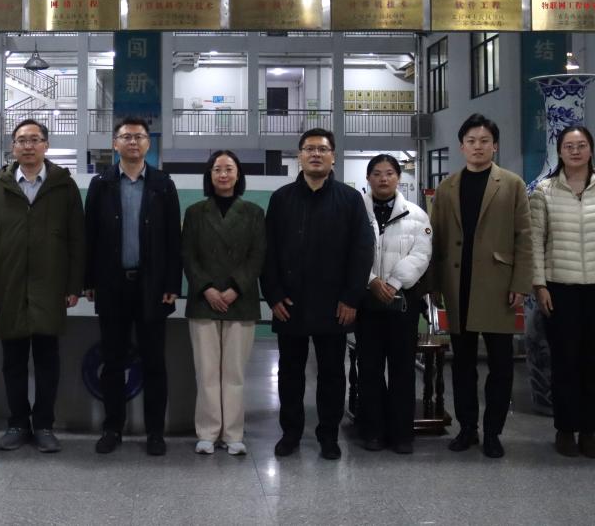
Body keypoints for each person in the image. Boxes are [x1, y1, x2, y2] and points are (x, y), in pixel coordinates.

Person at [261, 128, 374, 460]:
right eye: (309, 149)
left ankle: (328, 435)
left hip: (335, 305)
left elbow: (362, 251)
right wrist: (273, 295)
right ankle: (290, 433)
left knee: (332, 374)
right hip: (289, 304)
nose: (315, 154)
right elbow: (268, 252)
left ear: (333, 157)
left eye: (322, 149)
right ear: (299, 156)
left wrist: (351, 298)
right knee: (290, 374)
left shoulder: (349, 199)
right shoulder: (282, 199)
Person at [0, 119, 84, 453]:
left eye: (35, 139)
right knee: (13, 362)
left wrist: (74, 285)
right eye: (22, 140)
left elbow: (77, 239)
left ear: (46, 146)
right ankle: (17, 423)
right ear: (13, 147)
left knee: (48, 361)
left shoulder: (64, 187)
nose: (28, 145)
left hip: (50, 287)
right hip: (9, 286)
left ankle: (45, 425)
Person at [427, 113, 532, 459]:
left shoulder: (512, 184)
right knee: (462, 364)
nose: (478, 147)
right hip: (458, 285)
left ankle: (493, 432)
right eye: (471, 141)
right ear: (462, 146)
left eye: (484, 141)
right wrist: (434, 285)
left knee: (501, 365)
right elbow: (436, 238)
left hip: (498, 286)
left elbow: (524, 237)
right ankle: (467, 428)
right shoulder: (447, 187)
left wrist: (521, 282)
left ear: (495, 146)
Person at [530, 125, 595, 459]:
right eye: (569, 146)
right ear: (560, 151)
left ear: (591, 149)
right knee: (564, 362)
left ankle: (588, 431)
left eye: (581, 145)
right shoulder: (544, 191)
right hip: (560, 289)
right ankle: (565, 429)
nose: (575, 151)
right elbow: (535, 243)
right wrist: (539, 284)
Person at [85, 117, 182, 457]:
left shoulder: (163, 185)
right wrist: (88, 280)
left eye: (139, 136)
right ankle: (112, 428)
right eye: (126, 136)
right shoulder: (101, 184)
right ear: (115, 144)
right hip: (112, 286)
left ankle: (155, 432)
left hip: (152, 287)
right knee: (113, 361)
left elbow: (174, 239)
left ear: (148, 143)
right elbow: (89, 235)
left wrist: (172, 283)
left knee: (154, 362)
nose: (132, 142)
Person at [182, 150, 265, 456]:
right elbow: (188, 255)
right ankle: (207, 432)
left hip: (240, 302)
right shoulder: (194, 213)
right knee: (206, 372)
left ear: (238, 174)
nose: (223, 174)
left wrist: (234, 289)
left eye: (229, 168)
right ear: (210, 174)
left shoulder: (254, 213)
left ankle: (233, 434)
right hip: (204, 301)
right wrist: (207, 288)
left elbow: (258, 255)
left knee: (234, 373)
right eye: (217, 169)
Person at [356, 154, 431, 454]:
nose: (383, 178)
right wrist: (371, 280)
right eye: (376, 173)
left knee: (402, 369)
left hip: (403, 303)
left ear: (398, 177)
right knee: (369, 369)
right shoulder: (355, 212)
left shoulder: (417, 215)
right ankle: (372, 431)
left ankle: (402, 434)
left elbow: (421, 254)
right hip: (366, 302)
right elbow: (348, 251)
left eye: (389, 173)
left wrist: (395, 282)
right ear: (368, 178)